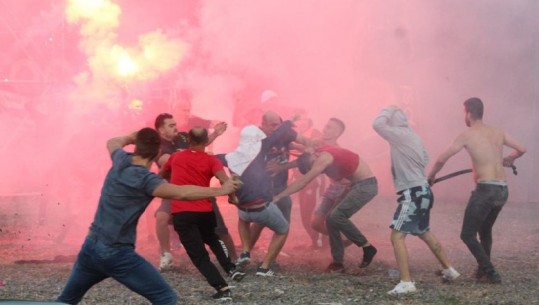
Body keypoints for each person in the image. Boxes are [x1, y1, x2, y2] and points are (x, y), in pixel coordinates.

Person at [56, 128, 240, 305]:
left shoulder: (121, 159)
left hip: (91, 247)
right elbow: (182, 193)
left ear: (136, 146)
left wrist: (131, 136)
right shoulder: (146, 180)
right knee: (165, 299)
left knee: (66, 301)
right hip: (116, 253)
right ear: (157, 152)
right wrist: (220, 190)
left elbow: (113, 141)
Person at [427, 97, 526, 284]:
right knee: (485, 229)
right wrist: (510, 159)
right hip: (502, 191)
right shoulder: (498, 132)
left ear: (469, 113)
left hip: (486, 191)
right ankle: (483, 271)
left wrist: (430, 177)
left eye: (464, 112)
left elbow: (442, 159)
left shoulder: (467, 134)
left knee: (467, 234)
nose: (464, 116)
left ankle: (490, 271)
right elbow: (521, 148)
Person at [373, 106, 460, 295]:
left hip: (412, 193)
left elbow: (377, 124)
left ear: (394, 123)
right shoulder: (414, 137)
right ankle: (449, 270)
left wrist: (388, 109)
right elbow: (425, 158)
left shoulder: (399, 134)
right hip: (423, 190)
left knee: (396, 236)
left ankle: (407, 282)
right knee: (424, 232)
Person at [160, 127, 244, 301]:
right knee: (212, 238)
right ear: (206, 142)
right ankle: (230, 268)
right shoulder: (211, 160)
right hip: (205, 210)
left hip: (182, 213)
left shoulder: (175, 157)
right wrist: (232, 197)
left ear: (188, 140)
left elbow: (161, 174)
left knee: (199, 255)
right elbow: (225, 181)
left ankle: (222, 287)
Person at [217, 117, 305, 276]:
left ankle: (245, 251)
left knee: (243, 219)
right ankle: (264, 268)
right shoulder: (261, 149)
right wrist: (288, 122)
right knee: (283, 229)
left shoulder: (229, 157)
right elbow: (277, 135)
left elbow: (208, 158)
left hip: (243, 209)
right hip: (261, 207)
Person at [273, 143, 378, 273]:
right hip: (351, 185)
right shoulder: (315, 153)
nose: (317, 169)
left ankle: (367, 247)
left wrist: (279, 196)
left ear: (314, 157)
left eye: (313, 167)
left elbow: (304, 181)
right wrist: (282, 167)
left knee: (336, 216)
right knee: (330, 220)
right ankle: (337, 264)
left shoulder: (324, 158)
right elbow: (301, 159)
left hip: (365, 186)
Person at [153, 113, 236, 271]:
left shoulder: (184, 137)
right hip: (175, 189)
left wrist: (215, 134)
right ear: (161, 130)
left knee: (219, 228)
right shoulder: (158, 145)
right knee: (161, 217)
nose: (176, 127)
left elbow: (200, 144)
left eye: (175, 124)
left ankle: (234, 259)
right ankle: (166, 255)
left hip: (199, 187)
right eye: (171, 125)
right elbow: (166, 161)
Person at [248, 111, 295, 257]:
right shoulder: (258, 141)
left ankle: (270, 260)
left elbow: (297, 145)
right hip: (263, 190)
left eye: (279, 124)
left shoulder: (284, 140)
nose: (277, 128)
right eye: (273, 125)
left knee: (283, 226)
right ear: (263, 126)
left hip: (281, 189)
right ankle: (244, 255)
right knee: (260, 223)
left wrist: (311, 147)